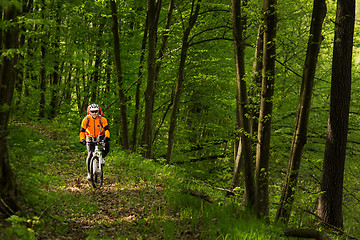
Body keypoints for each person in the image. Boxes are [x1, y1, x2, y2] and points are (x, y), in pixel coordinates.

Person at [79, 103, 110, 181]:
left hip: (101, 135)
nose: (94, 113)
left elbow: (106, 130)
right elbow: (82, 131)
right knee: (90, 154)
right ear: (89, 112)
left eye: (96, 111)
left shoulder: (102, 119)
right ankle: (89, 173)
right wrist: (82, 139)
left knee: (107, 146)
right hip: (89, 137)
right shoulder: (86, 120)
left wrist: (107, 137)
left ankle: (102, 158)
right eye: (92, 111)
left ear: (98, 111)